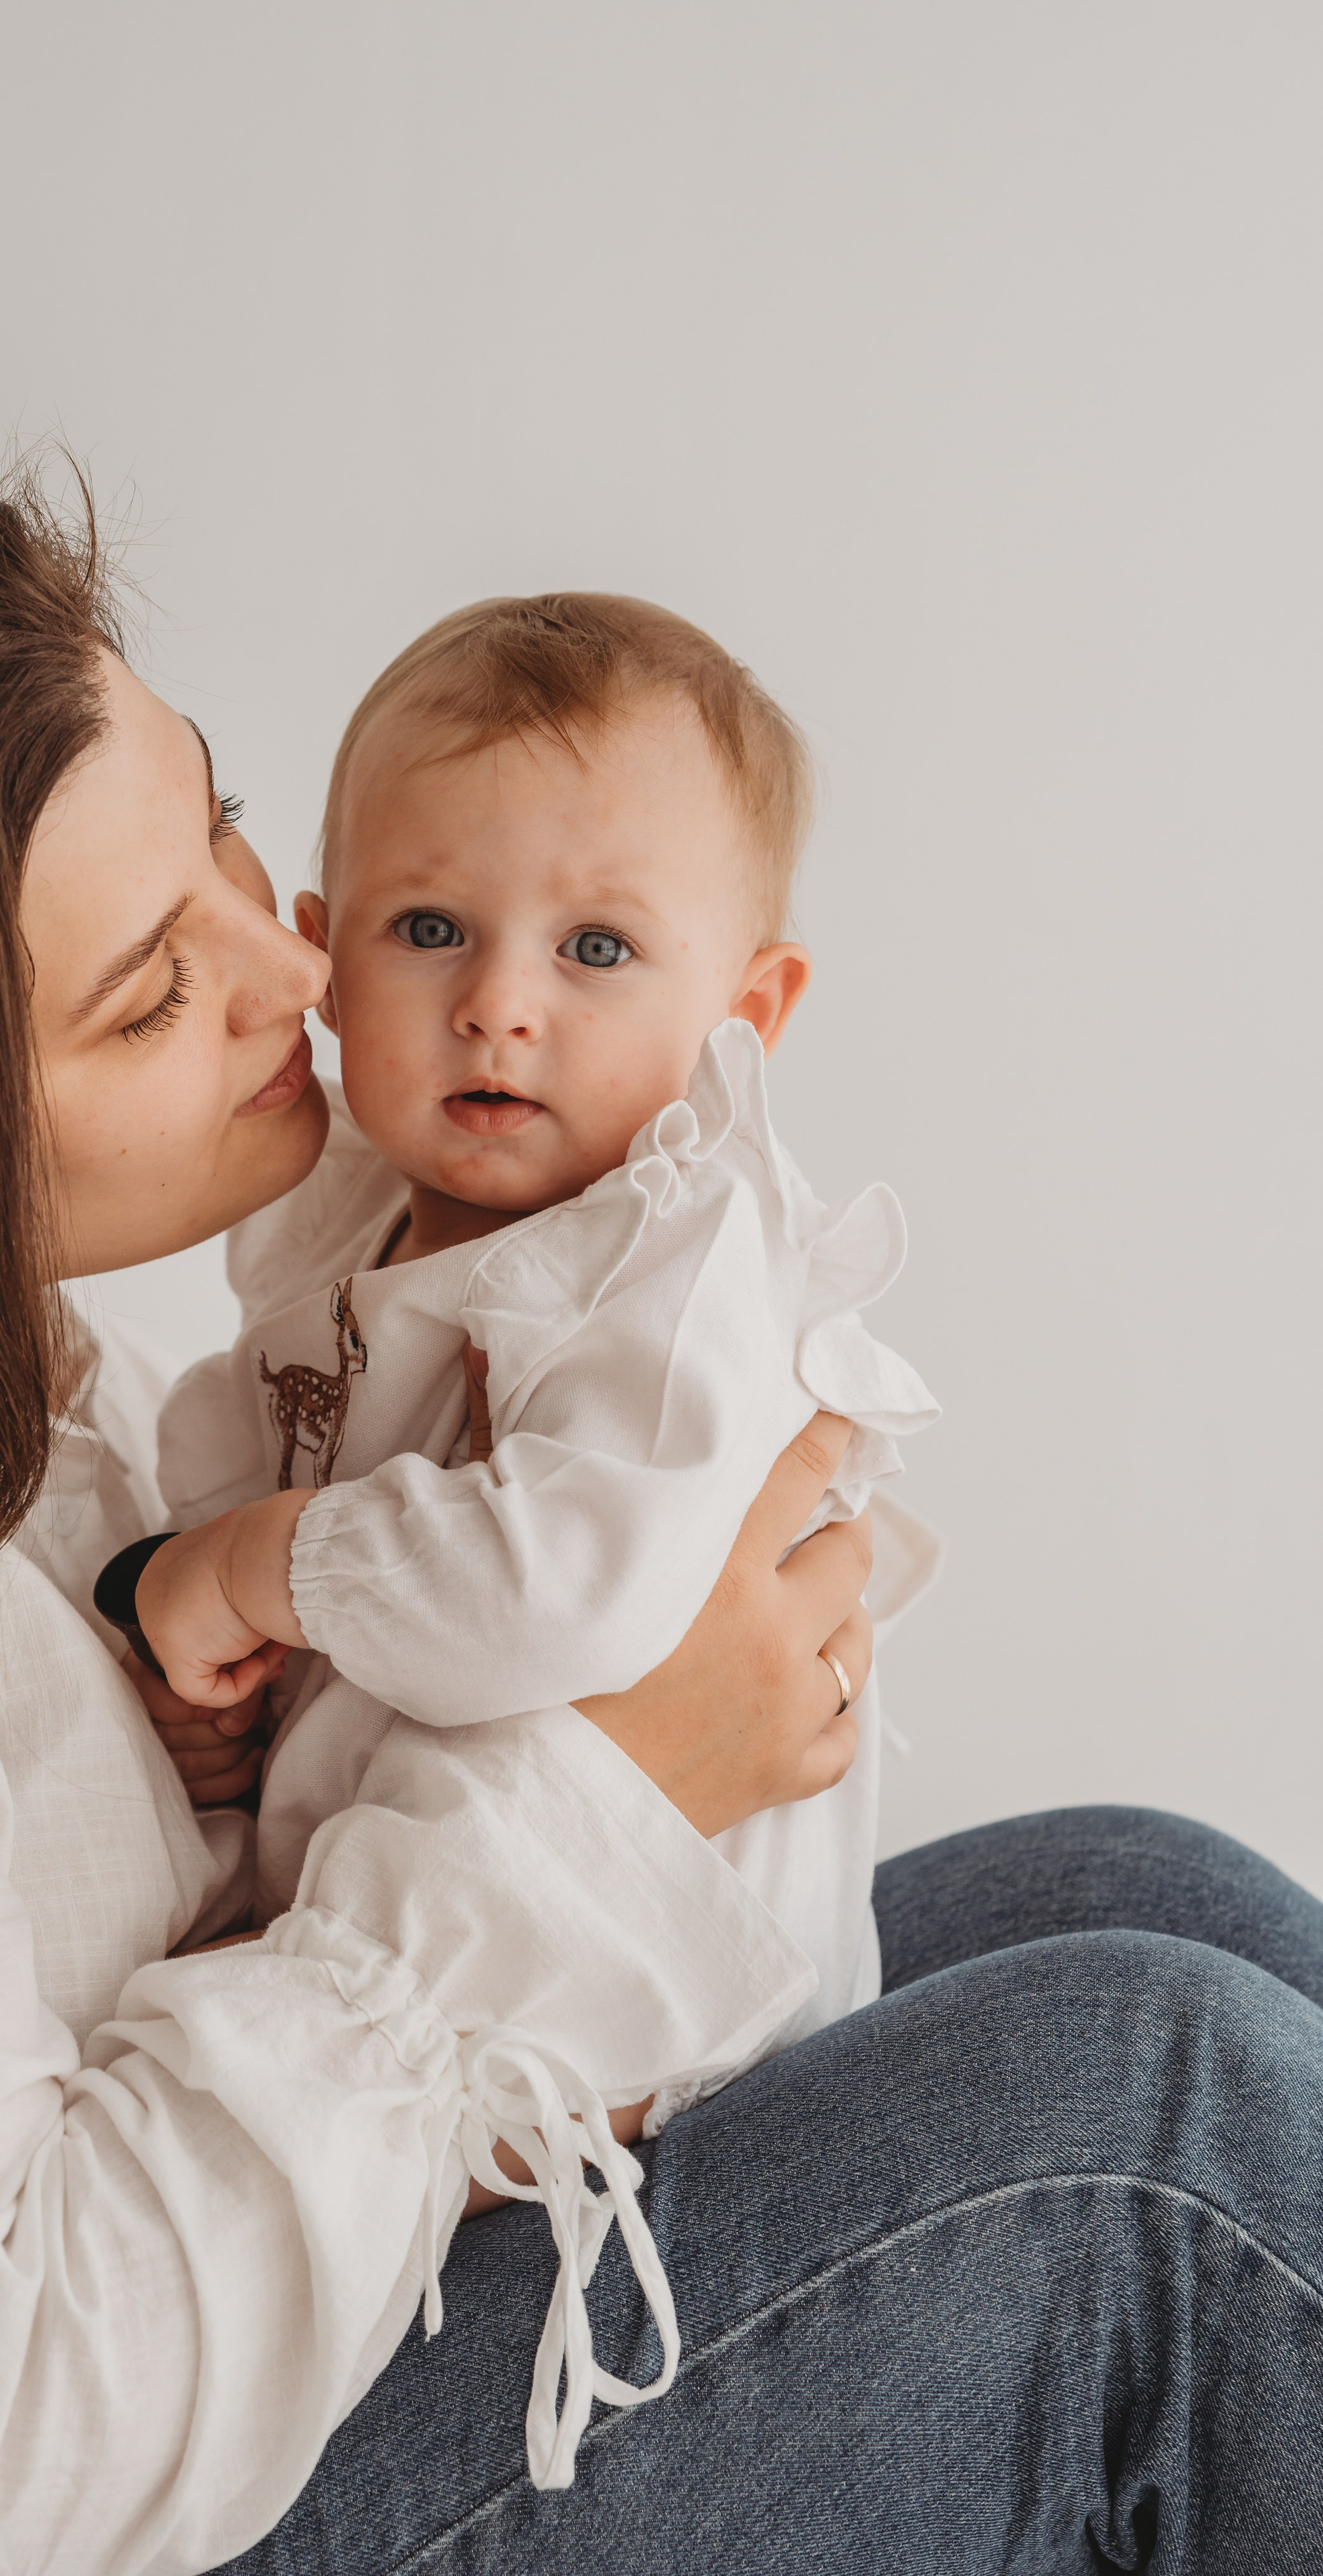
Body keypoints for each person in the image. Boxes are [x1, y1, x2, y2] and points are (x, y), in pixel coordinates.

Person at [0, 485, 1320, 2575]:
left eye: (224, 835)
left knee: (1160, 1893)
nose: (293, 963)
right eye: (153, 995)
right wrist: (599, 1793)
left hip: (268, 2278)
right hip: (145, 2505)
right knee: (1165, 2130)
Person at [125, 598, 939, 2100]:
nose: (498, 1006)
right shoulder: (344, 1206)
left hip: (662, 2027)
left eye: (597, 947)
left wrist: (249, 1566)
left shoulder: (678, 1255)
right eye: (427, 930)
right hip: (417, 1974)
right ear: (323, 957)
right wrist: (204, 1676)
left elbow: (575, 1587)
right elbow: (274, 1433)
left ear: (740, 1015)